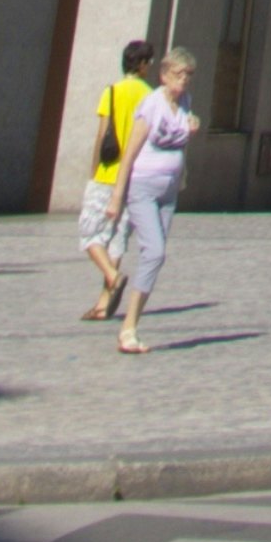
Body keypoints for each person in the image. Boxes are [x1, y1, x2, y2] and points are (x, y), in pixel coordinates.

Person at [105, 48, 199, 355]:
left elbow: (181, 144)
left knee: (154, 257)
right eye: (177, 75)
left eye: (187, 76)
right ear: (163, 75)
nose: (182, 81)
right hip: (143, 187)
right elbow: (130, 151)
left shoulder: (185, 103)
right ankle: (128, 327)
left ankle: (131, 325)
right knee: (155, 252)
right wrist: (117, 197)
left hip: (169, 190)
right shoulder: (151, 104)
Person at [75, 39, 153, 321]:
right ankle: (103, 304)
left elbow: (101, 135)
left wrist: (93, 170)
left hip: (107, 174)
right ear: (143, 65)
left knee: (90, 235)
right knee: (117, 239)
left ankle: (112, 276)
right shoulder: (149, 95)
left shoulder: (111, 92)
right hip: (134, 176)